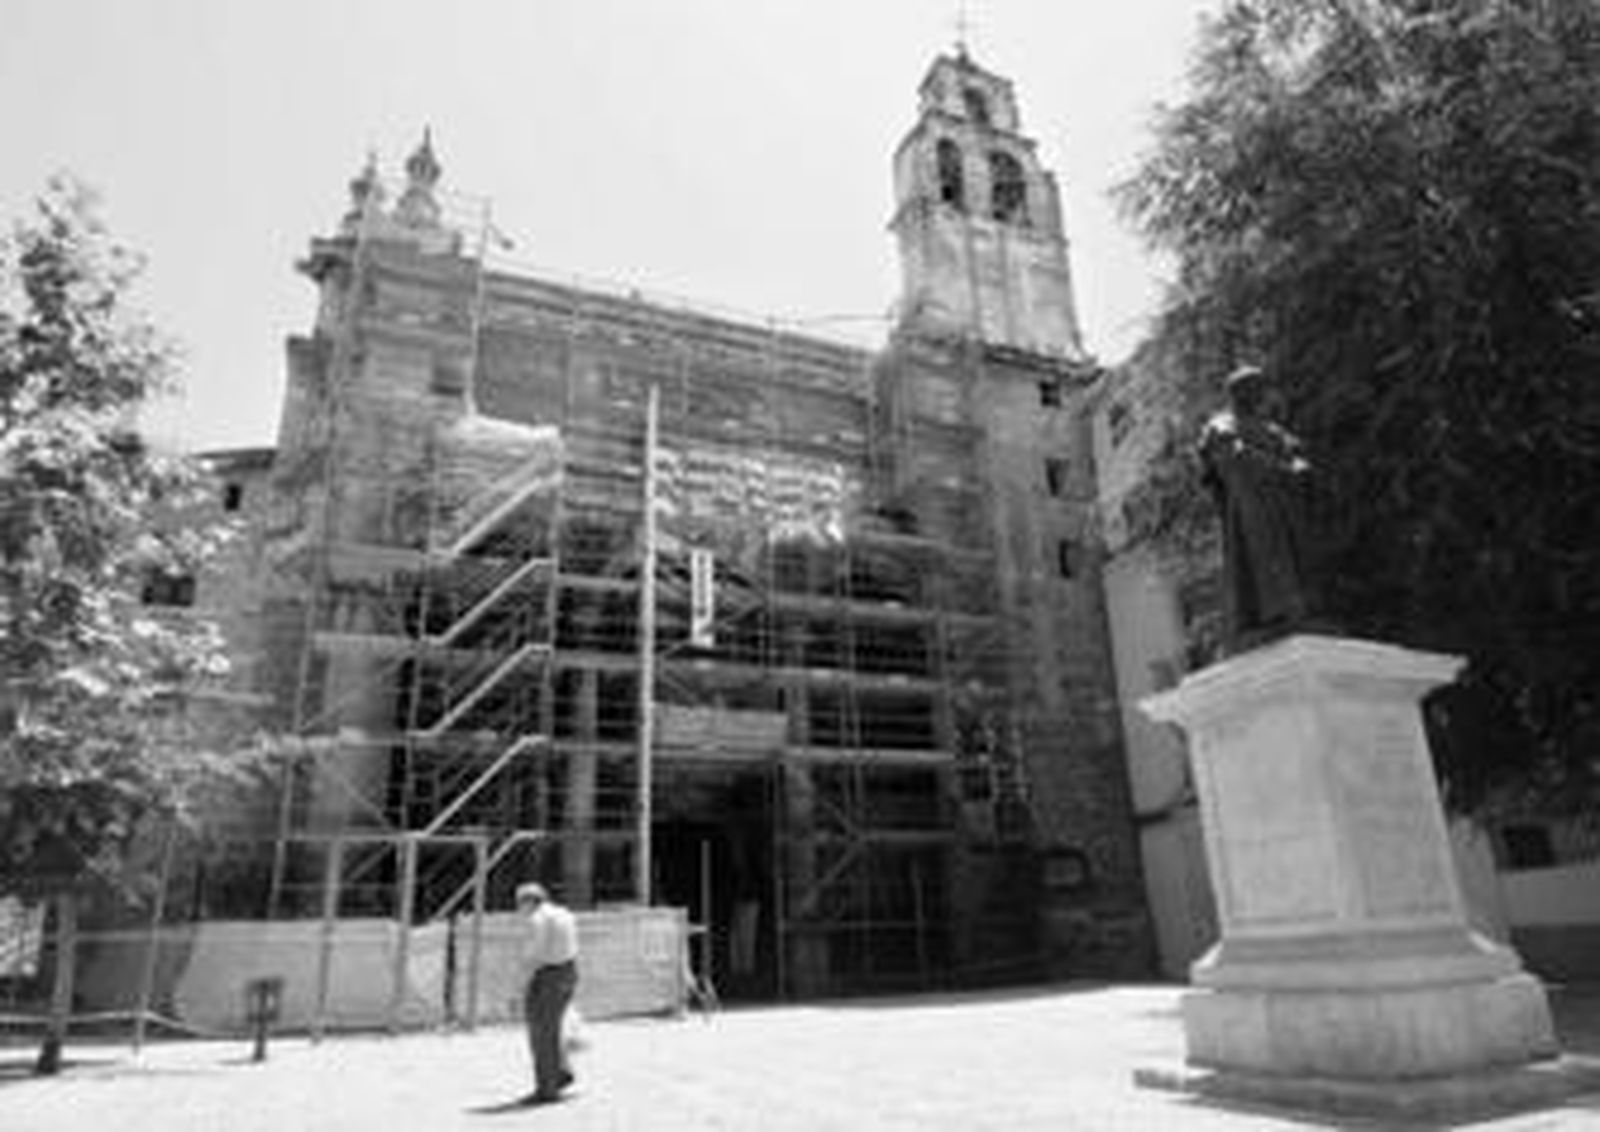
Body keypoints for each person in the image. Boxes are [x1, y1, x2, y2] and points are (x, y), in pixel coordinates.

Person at [1197, 364, 1321, 654]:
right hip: (1252, 508)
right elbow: (1234, 457)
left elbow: (1295, 450)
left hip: (1286, 506)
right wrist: (1282, 468)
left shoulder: (1271, 428)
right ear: (1245, 394)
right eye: (1260, 391)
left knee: (1296, 557)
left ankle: (1302, 609)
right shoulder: (1221, 425)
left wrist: (1299, 465)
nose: (1266, 397)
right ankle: (1275, 613)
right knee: (1264, 559)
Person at [516, 881, 579, 1104]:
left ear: (528, 901)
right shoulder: (564, 913)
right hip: (569, 970)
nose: (519, 909)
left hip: (548, 976)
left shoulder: (537, 919)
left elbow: (534, 956)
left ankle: (547, 1088)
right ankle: (561, 1072)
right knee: (553, 1029)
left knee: (541, 1033)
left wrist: (520, 986)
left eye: (519, 903)